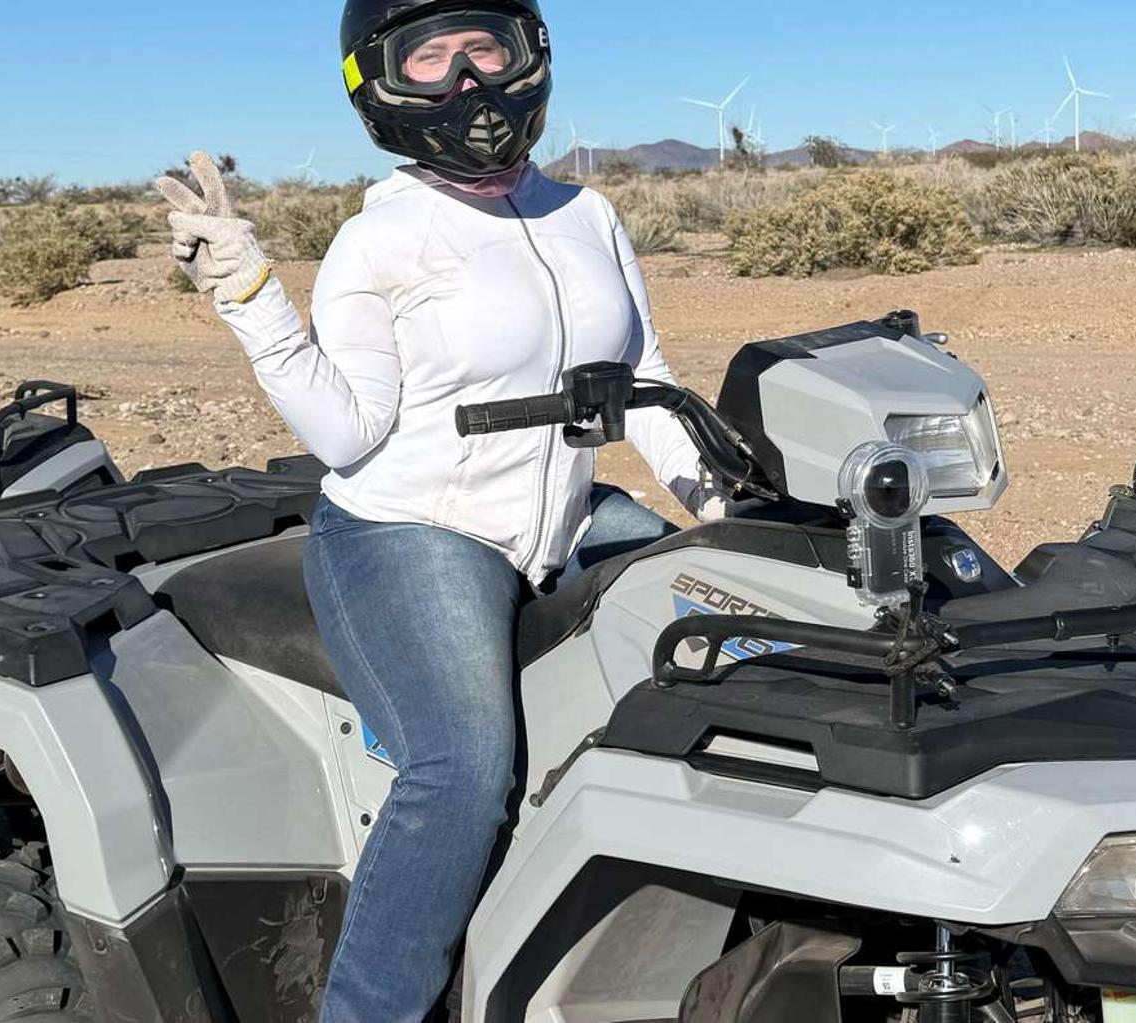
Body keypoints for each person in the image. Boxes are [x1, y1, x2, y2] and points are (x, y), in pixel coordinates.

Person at [154, 2, 720, 1020]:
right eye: (429, 57)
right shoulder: (381, 239)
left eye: (484, 48)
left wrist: (725, 505)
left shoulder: (585, 215)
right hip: (411, 527)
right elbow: (345, 434)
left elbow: (644, 376)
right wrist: (249, 296)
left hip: (568, 514)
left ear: (527, 57)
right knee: (460, 766)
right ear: (381, 85)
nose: (467, 81)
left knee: (745, 633)